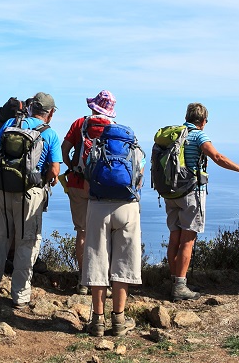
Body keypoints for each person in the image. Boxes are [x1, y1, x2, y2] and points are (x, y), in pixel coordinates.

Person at [163, 102, 239, 301]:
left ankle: (174, 280)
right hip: (191, 193)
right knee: (187, 240)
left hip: (171, 192)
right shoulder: (199, 135)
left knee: (175, 237)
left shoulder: (175, 134)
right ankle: (180, 286)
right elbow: (217, 156)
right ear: (203, 121)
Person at [0, 92, 63, 308]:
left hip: (2, 188)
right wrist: (47, 180)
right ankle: (20, 296)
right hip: (31, 193)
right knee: (27, 241)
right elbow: (54, 169)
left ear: (31, 108)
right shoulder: (49, 133)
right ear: (50, 114)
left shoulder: (9, 124)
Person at [81, 120, 145, 337]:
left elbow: (87, 180)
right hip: (127, 208)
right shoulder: (136, 151)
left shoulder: (96, 148)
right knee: (123, 262)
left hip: (98, 207)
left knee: (97, 260)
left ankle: (97, 322)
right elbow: (139, 181)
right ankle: (118, 320)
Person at [61, 90, 117, 295]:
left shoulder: (79, 124)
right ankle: (102, 282)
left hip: (77, 184)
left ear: (93, 106)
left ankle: (84, 281)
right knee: (103, 235)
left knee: (82, 232)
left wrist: (73, 168)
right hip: (102, 187)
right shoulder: (113, 128)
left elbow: (64, 150)